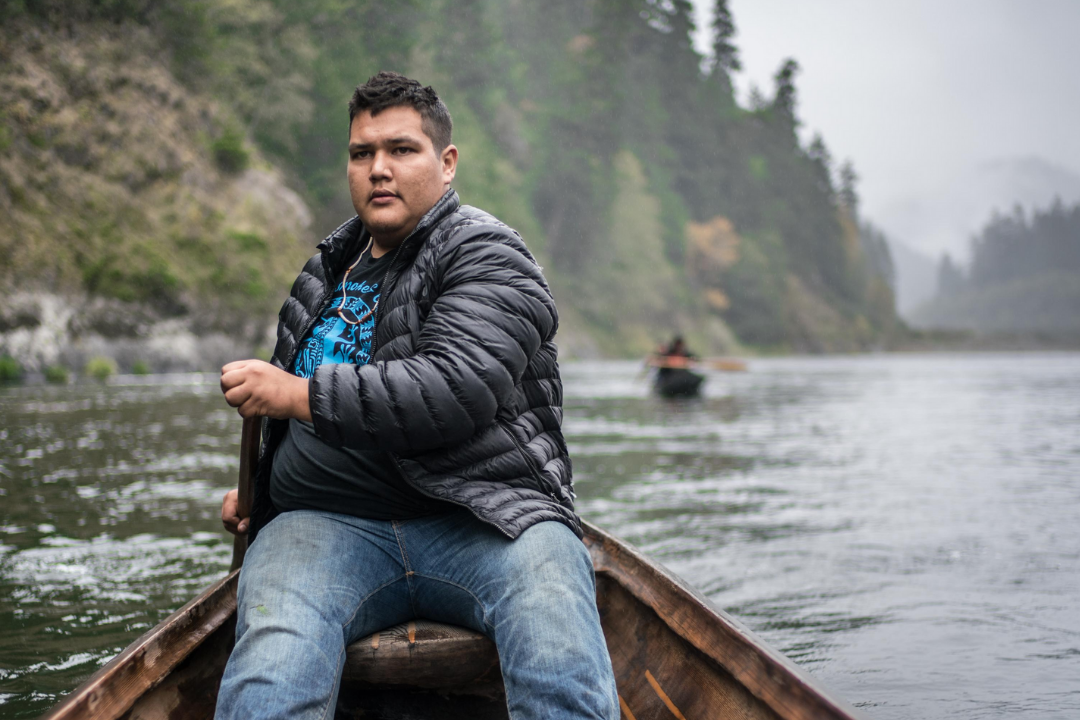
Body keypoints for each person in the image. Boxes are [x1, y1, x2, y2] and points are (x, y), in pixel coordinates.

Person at [214, 71, 618, 720]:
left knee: (556, 638)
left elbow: (451, 390)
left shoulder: (488, 254)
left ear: (446, 162)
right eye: (361, 153)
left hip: (484, 520)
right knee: (270, 666)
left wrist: (292, 394)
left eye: (401, 150)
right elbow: (307, 413)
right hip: (323, 526)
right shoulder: (323, 272)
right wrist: (263, 491)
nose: (379, 169)